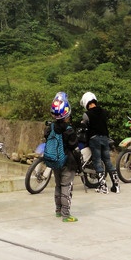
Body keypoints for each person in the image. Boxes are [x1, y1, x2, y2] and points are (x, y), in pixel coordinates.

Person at [43, 92, 83, 222]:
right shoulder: (69, 130)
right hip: (68, 161)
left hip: (55, 160)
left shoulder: (50, 127)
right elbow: (75, 148)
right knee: (66, 186)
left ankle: (58, 211)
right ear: (67, 113)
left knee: (58, 185)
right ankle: (66, 215)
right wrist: (79, 166)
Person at [79, 92, 120, 194]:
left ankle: (103, 186)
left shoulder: (86, 114)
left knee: (97, 162)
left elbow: (84, 125)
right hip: (105, 138)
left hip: (94, 139)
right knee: (108, 161)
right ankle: (116, 186)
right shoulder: (104, 111)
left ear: (86, 102)